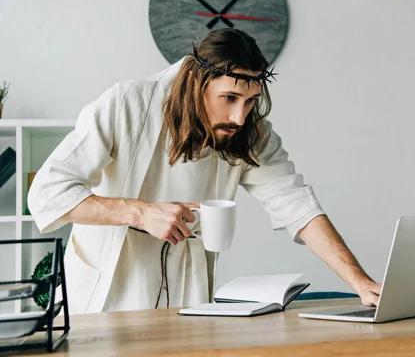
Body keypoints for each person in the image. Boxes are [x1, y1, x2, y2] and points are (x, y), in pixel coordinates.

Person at [28, 28, 381, 314]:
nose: (240, 117)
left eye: (251, 101)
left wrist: (360, 282)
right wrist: (140, 212)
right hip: (107, 295)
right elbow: (47, 192)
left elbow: (297, 206)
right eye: (229, 98)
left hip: (187, 296)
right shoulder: (126, 104)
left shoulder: (251, 132)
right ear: (197, 84)